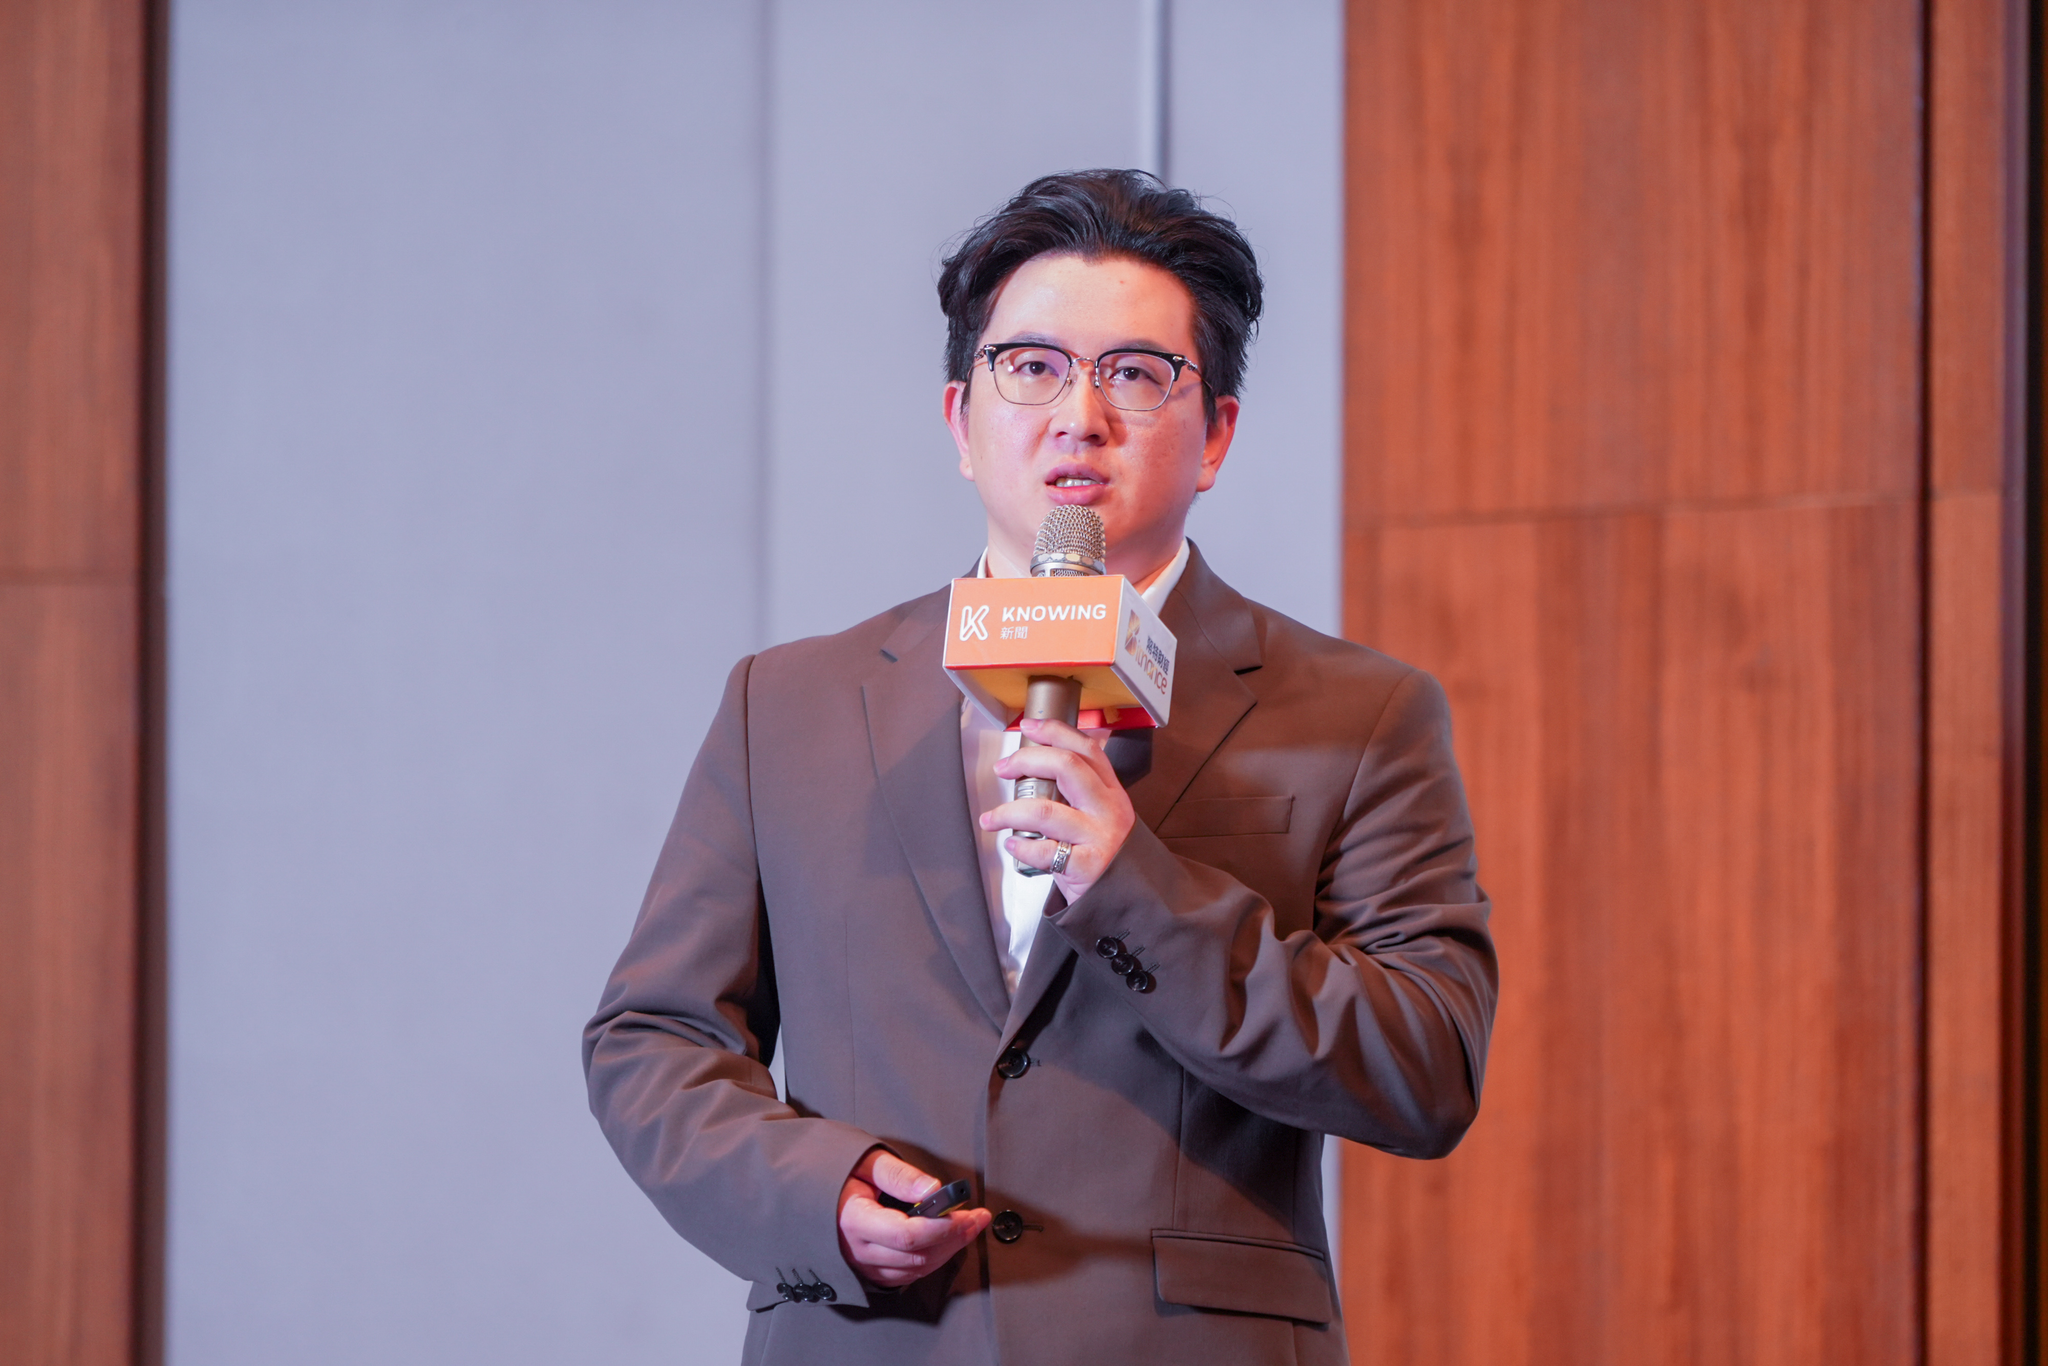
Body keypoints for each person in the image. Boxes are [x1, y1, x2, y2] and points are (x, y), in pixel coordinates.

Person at [584, 169, 1497, 1366]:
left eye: (1135, 373)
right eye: (1031, 367)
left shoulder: (1360, 713)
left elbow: (1424, 1064)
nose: (1080, 415)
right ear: (959, 421)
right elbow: (652, 1039)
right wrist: (816, 1194)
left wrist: (1136, 889)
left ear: (1216, 433)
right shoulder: (788, 705)